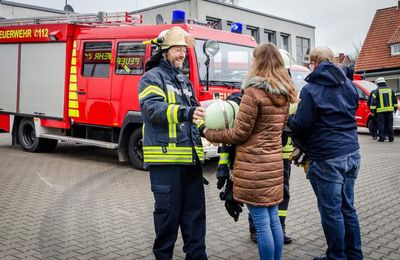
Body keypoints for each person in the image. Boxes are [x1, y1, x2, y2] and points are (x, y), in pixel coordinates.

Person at [204, 43, 297, 260]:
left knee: (263, 224)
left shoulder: (253, 93)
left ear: (259, 62)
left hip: (253, 168)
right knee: (273, 219)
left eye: (254, 58)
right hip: (273, 166)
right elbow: (280, 129)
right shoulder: (285, 94)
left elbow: (238, 134)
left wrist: (209, 133)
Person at [287, 46, 363, 260]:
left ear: (314, 63)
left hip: (327, 156)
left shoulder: (310, 90)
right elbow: (352, 110)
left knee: (332, 211)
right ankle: (355, 255)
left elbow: (302, 124)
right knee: (348, 207)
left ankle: (336, 256)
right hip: (352, 151)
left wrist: (289, 120)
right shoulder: (348, 84)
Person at [138, 26, 207, 260]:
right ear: (165, 52)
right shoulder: (151, 77)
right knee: (167, 218)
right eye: (178, 50)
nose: (182, 55)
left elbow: (194, 114)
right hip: (165, 162)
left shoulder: (184, 81)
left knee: (195, 217)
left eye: (184, 51)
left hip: (190, 161)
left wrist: (210, 128)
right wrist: (186, 113)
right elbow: (152, 109)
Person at [370, 77, 398, 142]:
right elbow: (395, 100)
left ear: (378, 83)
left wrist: (372, 111)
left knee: (381, 125)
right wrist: (395, 108)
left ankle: (381, 138)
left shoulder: (376, 91)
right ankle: (391, 138)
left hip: (380, 111)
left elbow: (373, 102)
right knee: (390, 124)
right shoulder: (391, 89)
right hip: (390, 111)